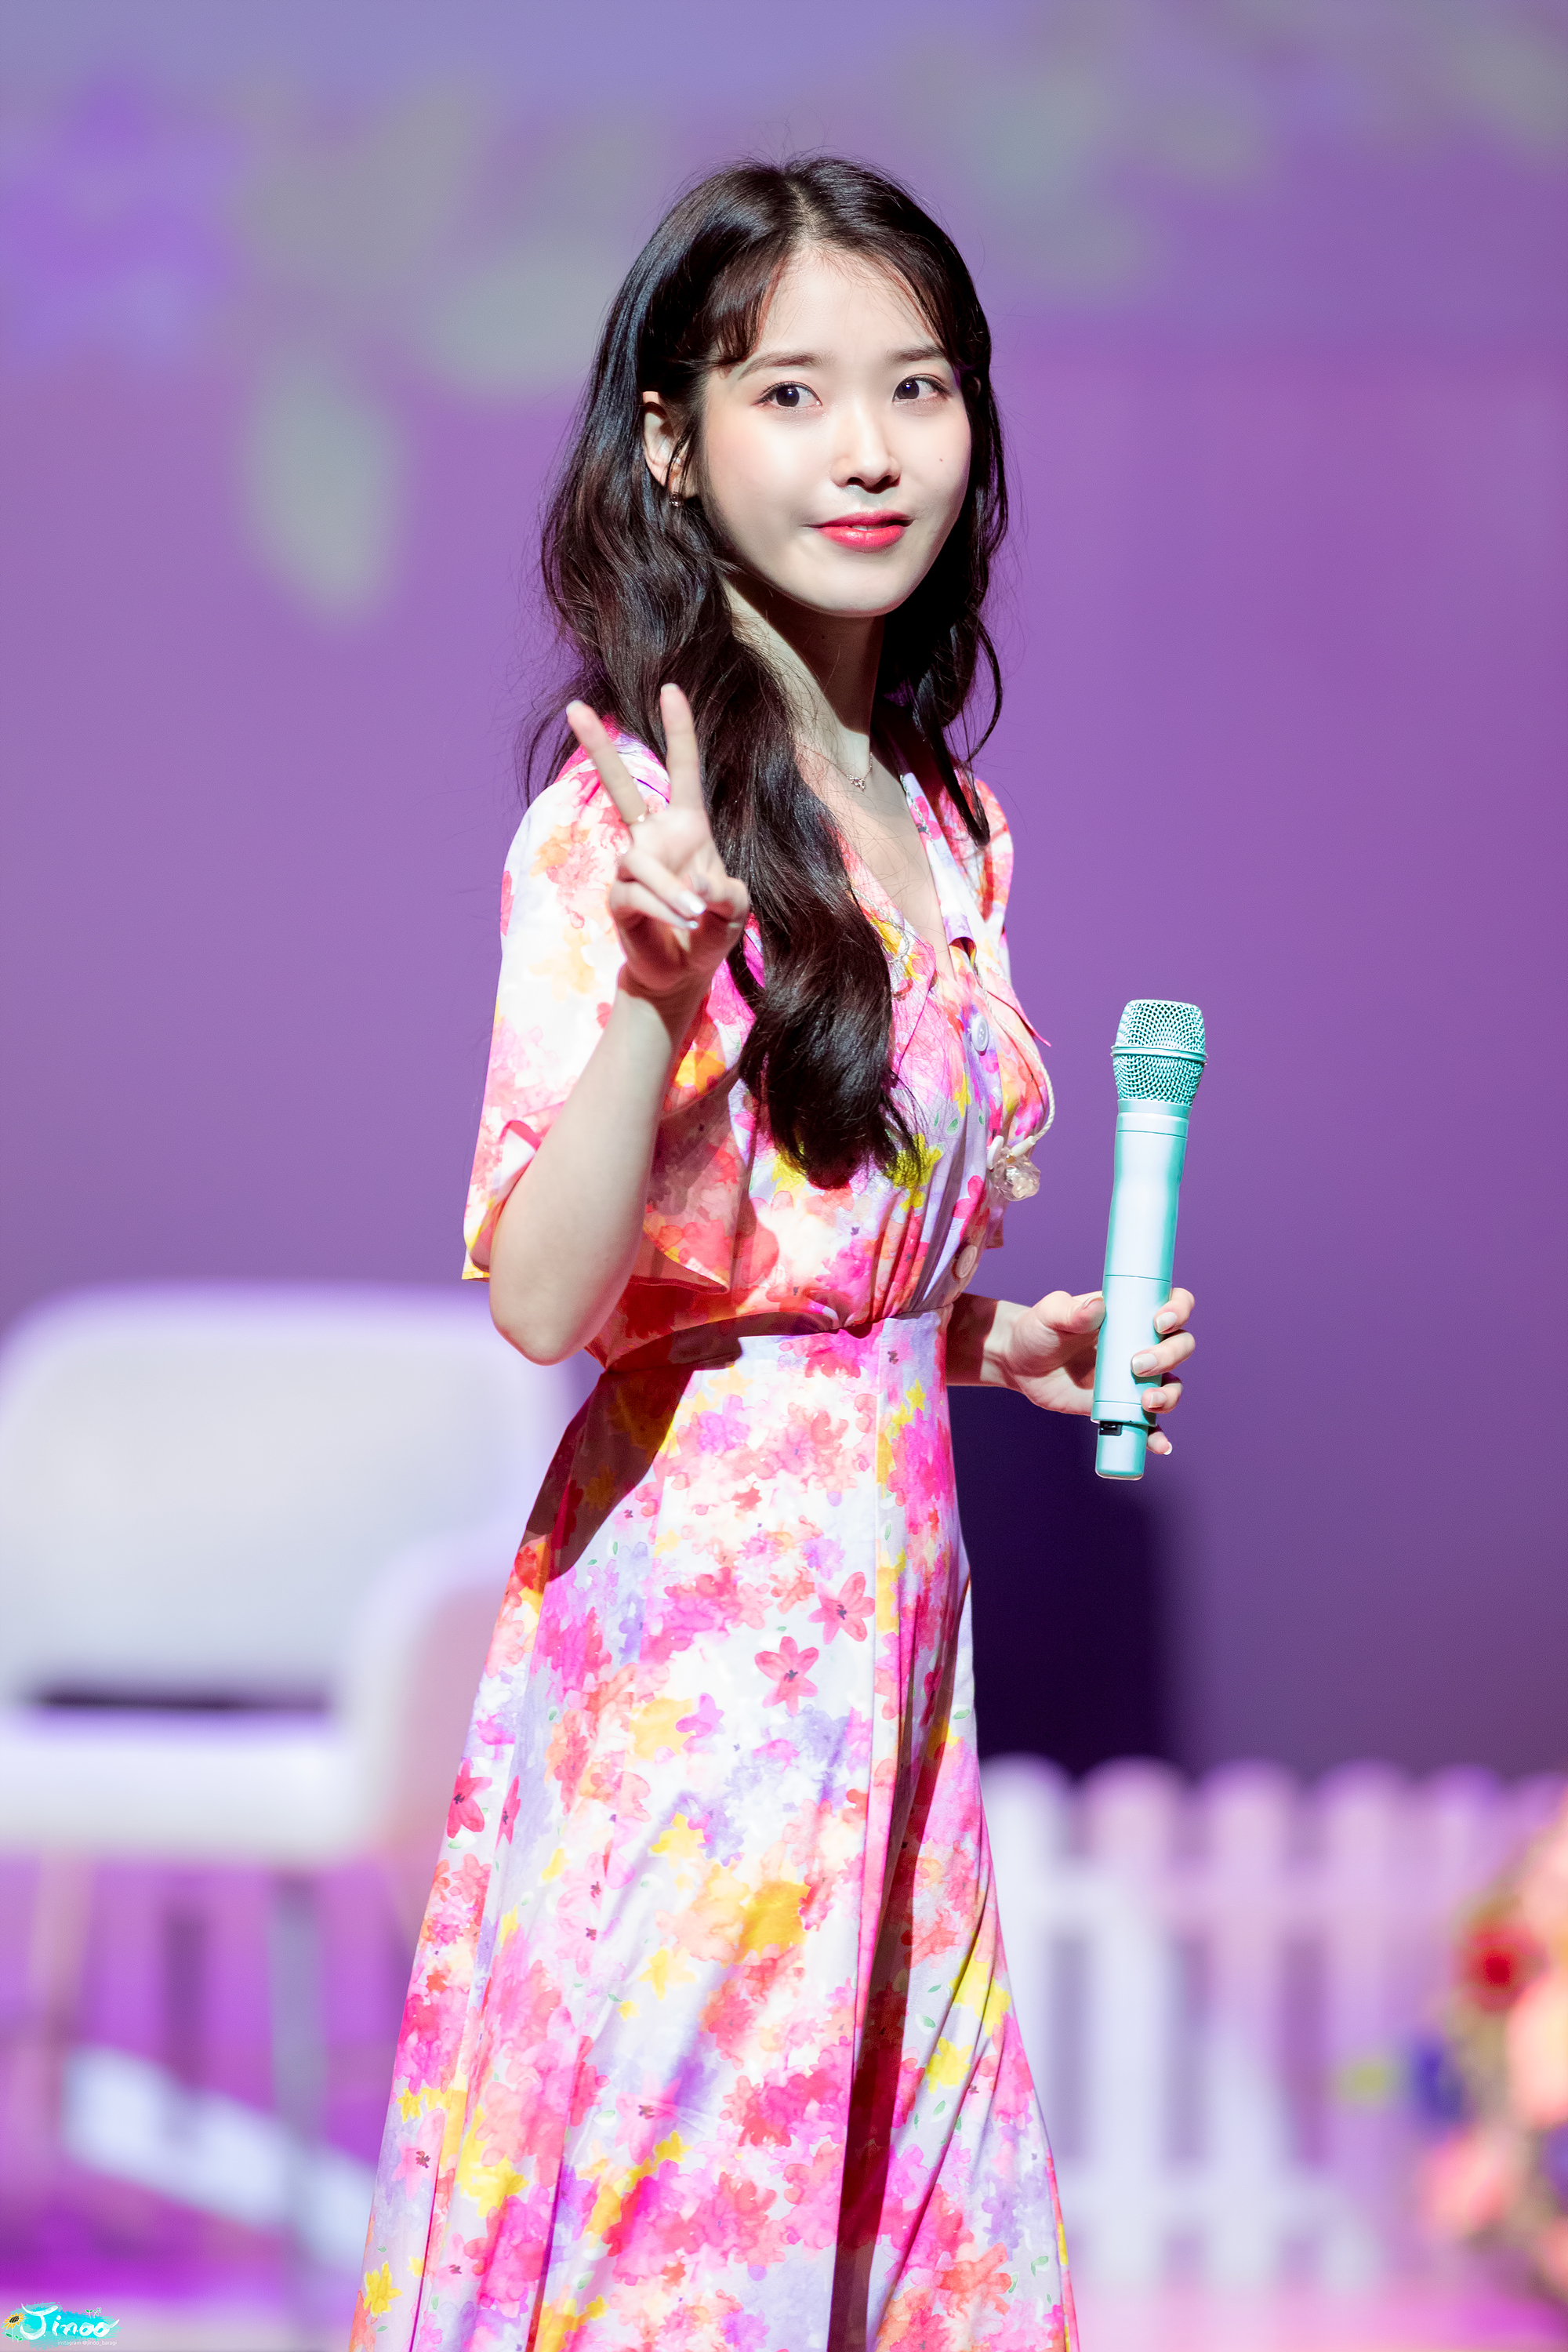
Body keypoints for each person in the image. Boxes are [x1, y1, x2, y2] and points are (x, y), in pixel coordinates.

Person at [353, 157, 1194, 2352]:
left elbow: (804, 1252)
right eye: (794, 392)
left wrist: (990, 1337)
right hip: (703, 1668)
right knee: (693, 2239)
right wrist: (653, 990)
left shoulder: (944, 821)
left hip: (896, 1631)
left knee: (908, 2235)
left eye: (918, 387)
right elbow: (551, 1298)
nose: (869, 447)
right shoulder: (622, 821)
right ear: (672, 442)